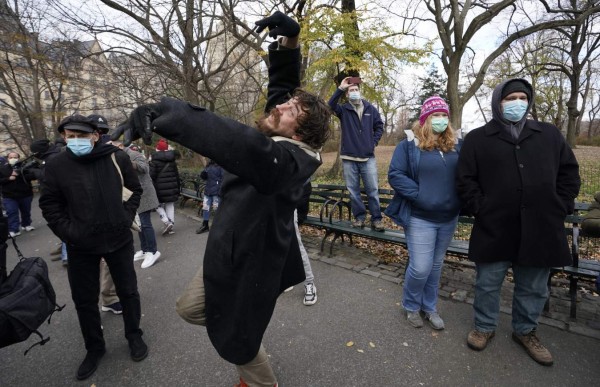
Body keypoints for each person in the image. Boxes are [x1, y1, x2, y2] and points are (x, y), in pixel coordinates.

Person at [112, 11, 331, 387]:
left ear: (301, 133)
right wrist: (291, 42)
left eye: (290, 111)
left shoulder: (291, 160)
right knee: (201, 313)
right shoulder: (283, 133)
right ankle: (243, 341)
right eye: (285, 104)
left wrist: (168, 115)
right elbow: (282, 89)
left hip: (252, 264)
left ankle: (261, 379)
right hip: (225, 251)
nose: (278, 107)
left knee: (238, 337)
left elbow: (242, 146)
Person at [456, 78, 580, 366]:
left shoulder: (548, 134)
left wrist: (560, 205)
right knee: (488, 283)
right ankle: (484, 326)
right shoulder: (478, 138)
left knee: (534, 286)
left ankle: (525, 331)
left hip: (541, 226)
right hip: (495, 226)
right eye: (510, 98)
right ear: (498, 102)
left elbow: (569, 173)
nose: (517, 103)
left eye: (523, 98)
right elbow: (465, 180)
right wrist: (481, 207)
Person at [39, 115, 148, 380]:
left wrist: (124, 219)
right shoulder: (56, 166)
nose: (75, 141)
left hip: (118, 240)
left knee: (129, 292)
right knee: (84, 300)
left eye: (81, 135)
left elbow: (134, 190)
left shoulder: (116, 157)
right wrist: (70, 233)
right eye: (70, 136)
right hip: (80, 246)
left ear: (95, 135)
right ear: (64, 137)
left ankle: (134, 336)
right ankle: (94, 348)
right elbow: (50, 205)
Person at [386, 96, 462, 330]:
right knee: (420, 267)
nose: (440, 120)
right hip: (421, 218)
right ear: (425, 119)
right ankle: (411, 305)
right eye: (435, 115)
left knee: (436, 266)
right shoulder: (409, 145)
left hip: (448, 218)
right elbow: (396, 174)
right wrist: (420, 195)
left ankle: (430, 307)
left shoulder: (456, 145)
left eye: (443, 115)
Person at [328, 76, 384, 231]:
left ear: (359, 91)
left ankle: (377, 219)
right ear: (347, 94)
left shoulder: (370, 109)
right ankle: (359, 218)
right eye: (351, 90)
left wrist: (373, 142)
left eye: (356, 89)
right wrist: (340, 88)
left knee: (372, 191)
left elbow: (379, 126)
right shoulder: (343, 109)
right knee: (353, 192)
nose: (354, 92)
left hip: (368, 158)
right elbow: (329, 106)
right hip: (349, 158)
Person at [113, 140, 162, 269]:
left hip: (144, 194)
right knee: (139, 224)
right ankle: (145, 250)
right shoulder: (115, 157)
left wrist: (128, 163)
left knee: (145, 223)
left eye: (113, 145)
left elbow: (145, 168)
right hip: (132, 195)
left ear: (120, 145)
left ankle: (153, 251)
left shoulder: (134, 154)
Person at [0, 152, 36, 237]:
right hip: (9, 196)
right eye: (11, 157)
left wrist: (20, 174)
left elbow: (33, 176)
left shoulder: (24, 167)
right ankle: (13, 229)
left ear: (18, 158)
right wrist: (8, 178)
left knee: (26, 211)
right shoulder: (2, 169)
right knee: (11, 212)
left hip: (25, 194)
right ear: (8, 158)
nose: (13, 159)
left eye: (15, 157)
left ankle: (26, 224)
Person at [149, 138, 180, 235]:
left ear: (157, 149)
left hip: (158, 187)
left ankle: (166, 221)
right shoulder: (172, 160)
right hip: (172, 186)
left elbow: (151, 175)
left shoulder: (154, 161)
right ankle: (170, 225)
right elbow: (176, 174)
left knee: (156, 204)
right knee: (170, 204)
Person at [295, 180, 317, 305]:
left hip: (288, 197)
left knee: (296, 243)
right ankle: (284, 278)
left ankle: (309, 283)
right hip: (270, 198)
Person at [196, 159, 223, 234]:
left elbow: (223, 178)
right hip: (208, 191)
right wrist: (203, 175)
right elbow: (205, 177)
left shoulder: (221, 166)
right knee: (205, 208)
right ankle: (205, 225)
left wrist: (220, 189)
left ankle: (218, 226)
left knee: (217, 209)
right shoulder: (208, 165)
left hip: (216, 192)